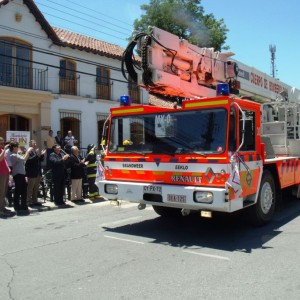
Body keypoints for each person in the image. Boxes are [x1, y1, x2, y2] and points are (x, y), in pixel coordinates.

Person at [10, 141, 33, 215]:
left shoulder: (17, 154)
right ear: (14, 147)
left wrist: (24, 153)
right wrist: (28, 152)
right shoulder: (13, 155)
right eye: (17, 147)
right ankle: (17, 206)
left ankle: (24, 205)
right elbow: (23, 159)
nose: (18, 148)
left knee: (24, 190)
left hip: (22, 174)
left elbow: (23, 160)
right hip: (17, 174)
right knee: (18, 190)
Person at [25, 140, 46, 208]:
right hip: (31, 173)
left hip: (37, 173)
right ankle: (28, 201)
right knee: (30, 188)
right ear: (30, 144)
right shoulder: (29, 152)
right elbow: (29, 161)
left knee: (36, 188)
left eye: (36, 143)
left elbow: (39, 160)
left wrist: (42, 155)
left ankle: (35, 201)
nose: (35, 144)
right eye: (34, 143)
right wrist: (36, 154)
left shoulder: (35, 152)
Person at [0, 137, 13, 217]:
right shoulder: (2, 150)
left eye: (2, 143)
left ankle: (3, 207)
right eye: (0, 143)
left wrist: (8, 170)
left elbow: (4, 161)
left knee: (4, 192)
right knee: (1, 192)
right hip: (1, 173)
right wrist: (4, 149)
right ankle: (0, 209)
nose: (2, 144)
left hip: (6, 173)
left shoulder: (2, 150)